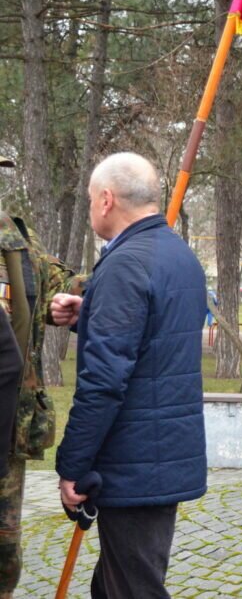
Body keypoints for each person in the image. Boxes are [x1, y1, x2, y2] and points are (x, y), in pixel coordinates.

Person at [50, 152, 207, 599]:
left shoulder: (125, 264)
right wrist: (92, 312)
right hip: (160, 456)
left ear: (105, 199)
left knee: (133, 589)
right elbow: (157, 337)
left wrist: (73, 466)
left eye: (88, 200)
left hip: (134, 462)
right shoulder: (177, 254)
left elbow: (103, 381)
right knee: (120, 583)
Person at [0, 155, 74, 599]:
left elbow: (61, 285)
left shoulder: (19, 246)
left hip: (7, 423)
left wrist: (73, 297)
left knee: (3, 546)